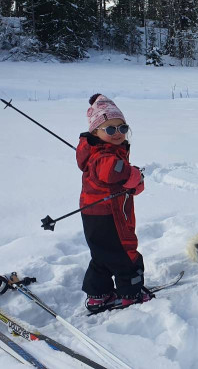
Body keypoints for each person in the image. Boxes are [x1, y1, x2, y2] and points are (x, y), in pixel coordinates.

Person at [76, 94, 149, 312]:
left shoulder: (100, 152)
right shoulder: (104, 156)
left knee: (102, 256)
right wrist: (133, 174)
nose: (117, 133)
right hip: (109, 215)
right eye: (110, 129)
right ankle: (131, 293)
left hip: (93, 213)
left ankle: (98, 295)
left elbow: (116, 180)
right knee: (125, 253)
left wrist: (132, 183)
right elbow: (112, 171)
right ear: (95, 132)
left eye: (122, 128)